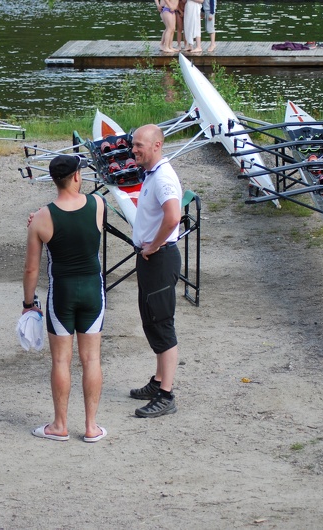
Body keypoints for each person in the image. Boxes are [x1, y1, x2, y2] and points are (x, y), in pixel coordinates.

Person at [23, 154, 107, 443]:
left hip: (62, 293)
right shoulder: (98, 205)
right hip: (93, 290)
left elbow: (31, 269)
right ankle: (91, 427)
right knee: (91, 358)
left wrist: (28, 303)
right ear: (76, 177)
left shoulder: (41, 218)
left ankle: (60, 425)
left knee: (61, 360)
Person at [129, 124, 182, 418]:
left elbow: (174, 217)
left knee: (162, 324)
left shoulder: (163, 178)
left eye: (139, 145)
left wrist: (154, 245)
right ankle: (158, 381)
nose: (133, 149)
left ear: (157, 145)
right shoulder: (151, 173)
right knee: (151, 321)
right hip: (152, 258)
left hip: (160, 258)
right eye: (133, 144)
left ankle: (166, 395)